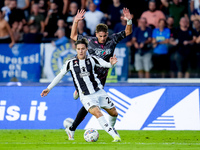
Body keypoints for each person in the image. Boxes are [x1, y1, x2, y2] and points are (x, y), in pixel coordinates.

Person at [67, 8, 132, 140]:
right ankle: (79, 92)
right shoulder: (89, 41)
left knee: (95, 109)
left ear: (107, 34)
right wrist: (75, 21)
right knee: (90, 106)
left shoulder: (112, 40)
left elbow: (127, 32)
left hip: (101, 79)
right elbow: (74, 36)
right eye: (100, 36)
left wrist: (129, 20)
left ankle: (72, 127)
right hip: (87, 77)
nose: (102, 38)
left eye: (104, 36)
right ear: (96, 34)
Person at [40, 38, 121, 142]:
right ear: (76, 49)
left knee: (114, 113)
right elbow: (60, 75)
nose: (81, 51)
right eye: (78, 49)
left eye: (83, 49)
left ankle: (73, 129)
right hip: (86, 95)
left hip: (99, 91)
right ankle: (115, 136)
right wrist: (48, 88)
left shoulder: (92, 59)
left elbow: (106, 64)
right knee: (97, 112)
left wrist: (112, 64)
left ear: (86, 49)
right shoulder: (70, 63)